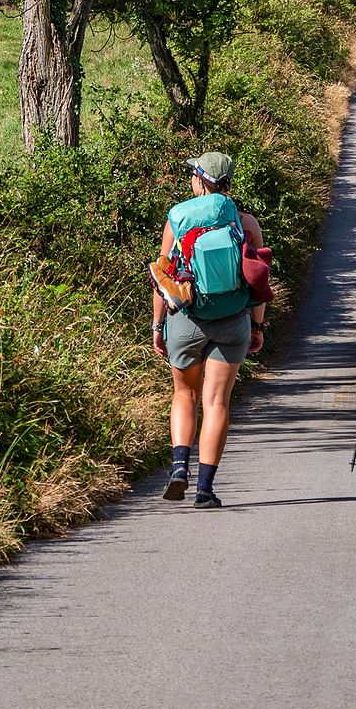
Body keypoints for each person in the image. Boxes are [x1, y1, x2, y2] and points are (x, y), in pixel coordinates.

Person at [151, 151, 266, 509]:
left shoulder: (178, 217)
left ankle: (179, 468)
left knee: (184, 394)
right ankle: (205, 489)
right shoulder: (244, 221)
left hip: (186, 319)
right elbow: (258, 280)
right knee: (216, 401)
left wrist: (158, 325)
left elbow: (163, 279)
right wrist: (258, 325)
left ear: (200, 179)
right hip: (232, 320)